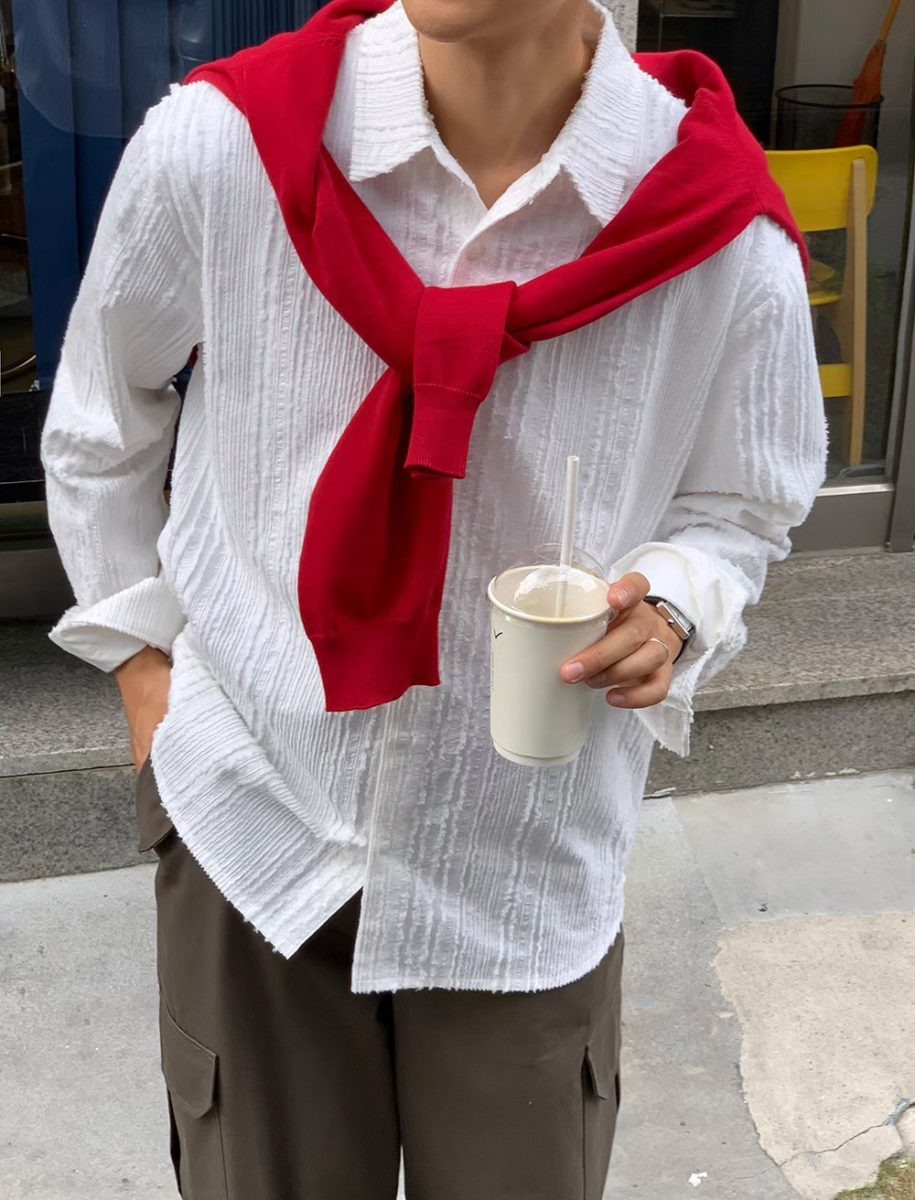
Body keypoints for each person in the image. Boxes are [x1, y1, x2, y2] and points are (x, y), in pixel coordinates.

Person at [39, 0, 828, 1196]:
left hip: (521, 860)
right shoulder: (227, 144)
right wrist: (146, 680)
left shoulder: (714, 227)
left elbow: (744, 504)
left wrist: (672, 602)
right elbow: (102, 421)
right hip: (251, 819)